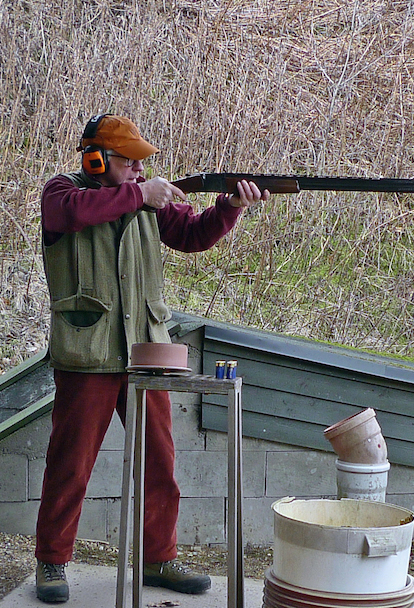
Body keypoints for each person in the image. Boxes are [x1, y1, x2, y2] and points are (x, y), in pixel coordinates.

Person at [35, 114, 269, 603]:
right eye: (130, 162)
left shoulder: (145, 199)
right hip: (89, 351)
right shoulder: (62, 191)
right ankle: (52, 563)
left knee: (160, 462)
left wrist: (231, 207)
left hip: (146, 350)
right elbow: (71, 214)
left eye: (143, 164)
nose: (140, 171)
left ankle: (159, 558)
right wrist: (142, 194)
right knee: (70, 465)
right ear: (96, 159)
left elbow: (192, 236)